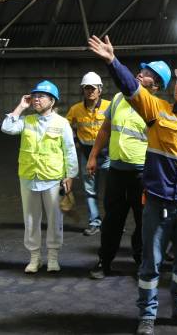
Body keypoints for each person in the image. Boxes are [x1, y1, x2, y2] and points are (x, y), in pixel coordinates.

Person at [88, 35, 177, 335]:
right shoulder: (156, 110)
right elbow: (131, 88)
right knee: (151, 262)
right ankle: (147, 315)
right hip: (159, 201)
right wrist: (112, 61)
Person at [88, 61, 171, 278]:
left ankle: (143, 262)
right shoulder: (118, 98)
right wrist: (93, 155)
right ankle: (104, 262)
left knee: (145, 221)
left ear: (157, 85)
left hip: (144, 175)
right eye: (142, 71)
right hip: (116, 172)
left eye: (148, 74)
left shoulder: (157, 107)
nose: (140, 74)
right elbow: (105, 129)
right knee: (112, 220)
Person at [1, 80, 78, 273]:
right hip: (29, 176)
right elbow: (7, 128)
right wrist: (21, 107)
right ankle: (35, 258)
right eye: (34, 96)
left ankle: (52, 257)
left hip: (52, 178)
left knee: (55, 219)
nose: (36, 99)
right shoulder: (27, 121)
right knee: (30, 220)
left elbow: (69, 151)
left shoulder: (62, 123)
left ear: (52, 101)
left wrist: (70, 176)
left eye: (41, 96)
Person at [66, 72, 111, 236]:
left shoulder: (110, 106)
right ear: (83, 90)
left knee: (113, 190)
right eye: (87, 88)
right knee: (90, 190)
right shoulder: (75, 109)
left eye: (93, 88)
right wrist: (74, 141)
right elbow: (65, 127)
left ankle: (113, 221)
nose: (90, 91)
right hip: (87, 154)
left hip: (108, 154)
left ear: (100, 90)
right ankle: (94, 223)